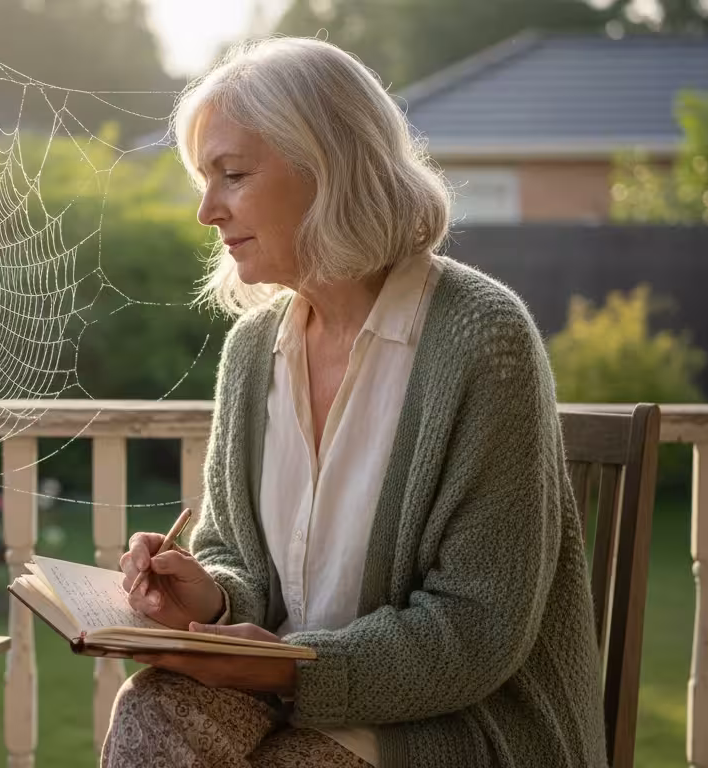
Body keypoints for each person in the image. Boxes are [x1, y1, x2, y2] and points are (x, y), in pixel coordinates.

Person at [100, 36, 606, 768]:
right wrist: (208, 598)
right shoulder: (252, 350)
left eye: (232, 175)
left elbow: (478, 625)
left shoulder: (481, 339)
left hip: (458, 723)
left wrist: (290, 666)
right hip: (287, 698)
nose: (207, 210)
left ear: (327, 168)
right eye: (202, 180)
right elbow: (237, 556)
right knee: (154, 711)